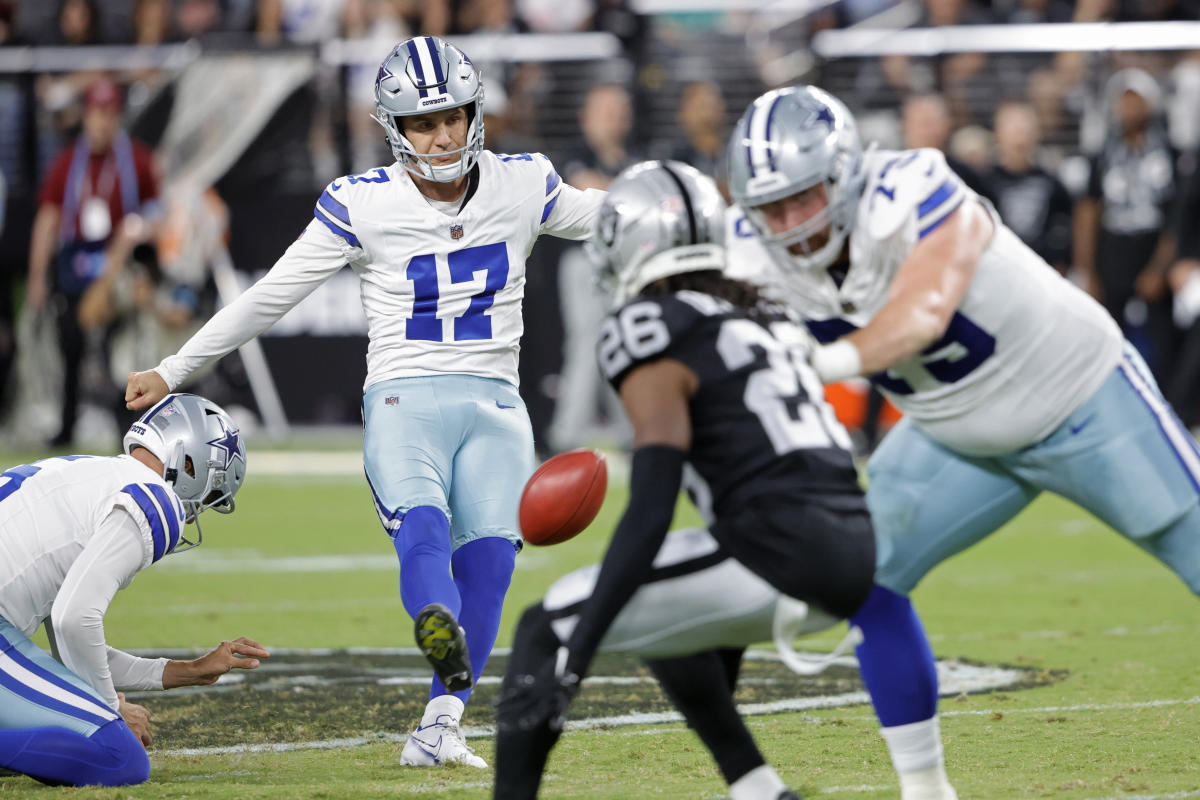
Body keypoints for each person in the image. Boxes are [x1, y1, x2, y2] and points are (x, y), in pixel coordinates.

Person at [123, 35, 604, 768]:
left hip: (497, 404)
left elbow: (612, 217)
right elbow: (271, 295)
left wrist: (693, 216)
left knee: (493, 564)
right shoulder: (365, 204)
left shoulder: (523, 183)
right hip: (406, 397)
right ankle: (437, 628)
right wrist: (175, 367)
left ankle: (440, 726)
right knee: (424, 533)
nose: (441, 134)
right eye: (422, 122)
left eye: (451, 115)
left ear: (475, 113)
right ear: (395, 130)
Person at [726, 84, 1200, 800]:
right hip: (955, 436)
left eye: (804, 197)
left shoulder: (912, 185)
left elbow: (922, 312)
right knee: (866, 579)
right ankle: (927, 792)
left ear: (845, 173)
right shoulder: (748, 251)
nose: (790, 224)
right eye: (770, 207)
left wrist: (817, 364)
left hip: (1083, 400)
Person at [492, 161, 877, 800]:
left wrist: (574, 661)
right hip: (852, 541)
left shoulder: (652, 327)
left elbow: (652, 507)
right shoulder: (759, 312)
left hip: (783, 552)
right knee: (664, 615)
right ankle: (757, 787)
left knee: (543, 625)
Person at [0, 392, 265, 787]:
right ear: (189, 463)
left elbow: (70, 642)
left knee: (66, 739)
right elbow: (74, 620)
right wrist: (111, 711)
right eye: (210, 495)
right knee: (118, 757)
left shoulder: (89, 474)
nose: (199, 509)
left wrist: (184, 672)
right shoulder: (155, 497)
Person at [27, 77, 160, 447]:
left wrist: (142, 265)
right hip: (77, 260)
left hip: (117, 263)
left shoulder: (137, 159)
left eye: (109, 113)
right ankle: (66, 425)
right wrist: (38, 274)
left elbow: (153, 213)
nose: (101, 122)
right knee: (69, 343)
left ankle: (126, 426)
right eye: (96, 113)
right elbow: (49, 219)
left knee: (120, 353)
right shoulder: (67, 163)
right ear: (85, 116)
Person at [1074, 68, 1180, 383]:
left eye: (1137, 101)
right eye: (1124, 101)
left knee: (1164, 337)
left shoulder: (1170, 152)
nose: (1130, 109)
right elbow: (1088, 210)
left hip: (1153, 247)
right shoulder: (1104, 151)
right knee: (1107, 335)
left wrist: (1160, 267)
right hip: (1113, 250)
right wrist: (1087, 269)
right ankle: (1112, 399)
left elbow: (1176, 214)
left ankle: (1169, 403)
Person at [985, 100, 1073, 274]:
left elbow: (1063, 233)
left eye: (1024, 124)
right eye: (1011, 124)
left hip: (1041, 273)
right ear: (997, 133)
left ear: (1037, 132)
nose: (1019, 131)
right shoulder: (983, 183)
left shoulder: (1053, 185)